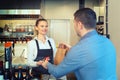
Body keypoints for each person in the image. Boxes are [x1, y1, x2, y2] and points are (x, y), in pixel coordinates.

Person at [41, 8, 117, 80]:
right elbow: (91, 57)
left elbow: (57, 72)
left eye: (74, 23)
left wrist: (47, 64)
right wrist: (72, 50)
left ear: (80, 25)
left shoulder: (78, 50)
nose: (74, 26)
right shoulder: (107, 42)